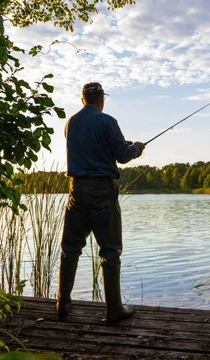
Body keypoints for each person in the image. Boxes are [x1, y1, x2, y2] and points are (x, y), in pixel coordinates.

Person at [57, 82, 145, 324]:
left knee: (70, 249)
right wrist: (136, 148)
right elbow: (123, 156)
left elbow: (92, 148)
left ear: (83, 98)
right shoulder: (108, 121)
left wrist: (121, 144)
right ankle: (114, 310)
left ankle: (62, 303)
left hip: (76, 191)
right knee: (110, 251)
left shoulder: (71, 122)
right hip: (102, 193)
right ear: (101, 100)